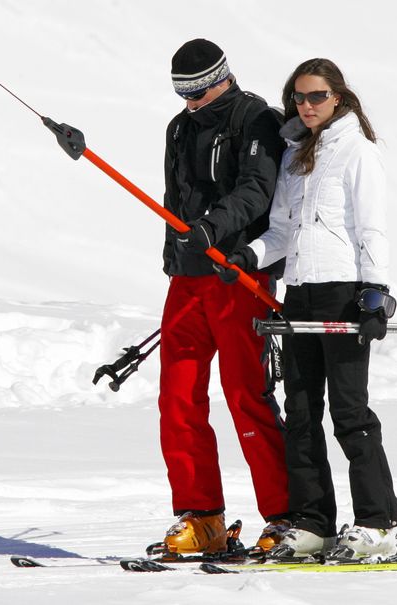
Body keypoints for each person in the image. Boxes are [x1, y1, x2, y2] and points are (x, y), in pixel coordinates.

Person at [224, 58, 397, 560]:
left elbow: (372, 228)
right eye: (299, 98)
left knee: (349, 412)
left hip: (343, 292)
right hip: (299, 294)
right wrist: (247, 258)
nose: (307, 106)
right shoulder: (294, 154)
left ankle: (379, 522)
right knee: (301, 413)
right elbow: (281, 231)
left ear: (338, 98)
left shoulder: (357, 153)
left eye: (317, 97)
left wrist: (375, 291)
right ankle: (313, 522)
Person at [158, 38, 290, 555]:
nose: (190, 103)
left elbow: (257, 190)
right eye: (181, 93)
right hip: (187, 279)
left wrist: (213, 230)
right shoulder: (178, 126)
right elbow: (177, 196)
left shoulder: (257, 120)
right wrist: (177, 256)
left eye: (197, 91)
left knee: (244, 394)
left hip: (237, 275)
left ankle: (283, 517)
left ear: (222, 78)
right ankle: (202, 517)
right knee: (177, 397)